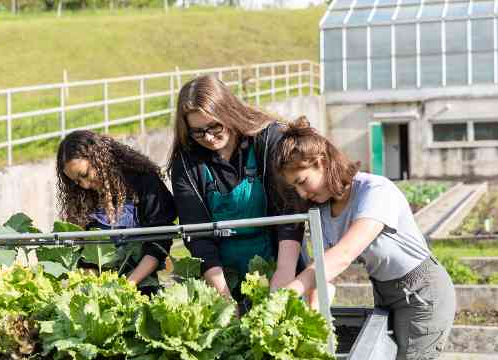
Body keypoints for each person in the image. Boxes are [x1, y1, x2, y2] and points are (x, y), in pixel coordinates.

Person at [275, 117, 455, 360]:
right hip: (384, 291)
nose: (301, 193)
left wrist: (289, 292)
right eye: (294, 187)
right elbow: (324, 271)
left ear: (322, 162)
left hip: (422, 291)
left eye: (302, 181)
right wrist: (314, 319)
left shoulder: (375, 191)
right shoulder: (323, 209)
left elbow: (343, 255)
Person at [167, 74, 309, 302]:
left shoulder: (268, 139)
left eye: (214, 126)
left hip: (282, 261)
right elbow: (197, 234)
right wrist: (224, 297)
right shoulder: (186, 163)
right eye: (198, 132)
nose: (209, 138)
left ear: (228, 111)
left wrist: (283, 275)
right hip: (222, 275)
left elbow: (289, 213)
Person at [56, 130, 176, 292]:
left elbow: (159, 243)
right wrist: (96, 288)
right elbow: (87, 258)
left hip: (145, 283)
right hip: (104, 288)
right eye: (77, 182)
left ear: (99, 159)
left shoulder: (144, 180)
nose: (84, 185)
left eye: (84, 174)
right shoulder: (82, 199)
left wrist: (127, 285)